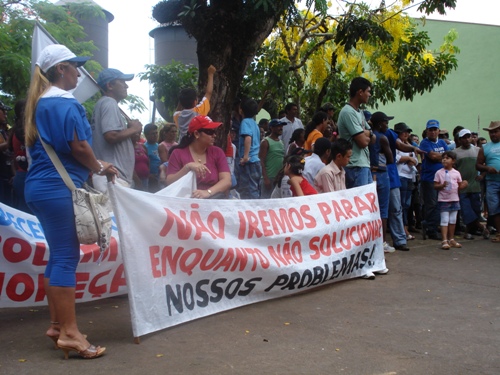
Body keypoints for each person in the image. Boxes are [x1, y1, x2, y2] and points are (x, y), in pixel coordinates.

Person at [24, 44, 118, 359]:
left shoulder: (41, 103)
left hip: (40, 188)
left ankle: (56, 326)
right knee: (66, 258)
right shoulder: (65, 103)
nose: (79, 72)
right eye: (74, 66)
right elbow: (78, 148)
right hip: (57, 188)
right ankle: (70, 333)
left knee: (57, 257)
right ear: (61, 69)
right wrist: (100, 166)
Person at [91, 68, 143, 192]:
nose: (127, 85)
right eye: (122, 82)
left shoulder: (102, 104)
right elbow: (111, 136)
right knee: (113, 212)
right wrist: (134, 128)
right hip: (112, 177)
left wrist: (131, 132)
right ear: (109, 85)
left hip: (110, 176)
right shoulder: (109, 102)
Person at [166, 115, 231, 199]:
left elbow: (226, 181)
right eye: (210, 132)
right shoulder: (177, 153)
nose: (214, 135)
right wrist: (187, 167)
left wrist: (208, 192)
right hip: (185, 203)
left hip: (213, 202)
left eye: (214, 131)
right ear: (196, 134)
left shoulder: (217, 152)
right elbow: (170, 182)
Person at [337, 77, 376, 188]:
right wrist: (367, 133)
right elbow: (363, 142)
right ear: (360, 92)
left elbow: (373, 139)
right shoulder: (348, 112)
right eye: (368, 91)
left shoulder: (360, 112)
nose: (369, 95)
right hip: (355, 166)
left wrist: (368, 133)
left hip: (363, 165)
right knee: (359, 202)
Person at [455, 129, 489, 240]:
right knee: (466, 209)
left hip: (475, 185)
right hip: (462, 186)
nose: (466, 139)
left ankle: (469, 231)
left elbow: (485, 164)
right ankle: (481, 227)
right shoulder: (455, 153)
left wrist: (482, 175)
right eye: (464, 137)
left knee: (475, 209)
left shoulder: (478, 150)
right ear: (460, 140)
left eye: (468, 136)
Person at [369, 112, 395, 253]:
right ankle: (382, 241)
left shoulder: (367, 137)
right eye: (386, 122)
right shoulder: (382, 138)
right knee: (383, 210)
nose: (387, 125)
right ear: (380, 124)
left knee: (370, 209)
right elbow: (390, 159)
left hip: (369, 173)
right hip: (381, 173)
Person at [420, 119, 449, 240]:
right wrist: (445, 157)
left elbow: (449, 157)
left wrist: (441, 157)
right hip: (429, 178)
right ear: (427, 131)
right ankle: (430, 228)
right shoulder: (424, 143)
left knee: (440, 204)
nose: (432, 132)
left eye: (434, 130)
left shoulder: (442, 142)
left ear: (438, 131)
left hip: (442, 179)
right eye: (430, 130)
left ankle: (430, 225)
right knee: (431, 204)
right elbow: (432, 156)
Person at [434, 151, 468, 249]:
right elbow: (435, 186)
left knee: (453, 220)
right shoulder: (439, 173)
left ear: (453, 161)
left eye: (447, 158)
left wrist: (464, 184)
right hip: (443, 200)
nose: (444, 159)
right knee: (444, 220)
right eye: (443, 158)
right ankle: (444, 240)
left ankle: (451, 239)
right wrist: (442, 185)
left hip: (454, 199)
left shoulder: (456, 173)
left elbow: (460, 186)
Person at [174, 65, 216, 140]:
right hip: (195, 144)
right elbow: (209, 93)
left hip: (182, 145)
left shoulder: (177, 115)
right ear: (195, 101)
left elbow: (178, 108)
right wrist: (211, 74)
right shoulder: (198, 111)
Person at [476, 121, 500, 242]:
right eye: (491, 132)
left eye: (496, 131)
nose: (493, 134)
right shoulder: (485, 148)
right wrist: (488, 168)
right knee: (494, 208)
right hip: (492, 182)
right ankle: (499, 233)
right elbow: (478, 165)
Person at [394, 122, 418, 241]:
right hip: (401, 175)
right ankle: (403, 228)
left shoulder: (410, 144)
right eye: (404, 132)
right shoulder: (397, 144)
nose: (406, 134)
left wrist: (411, 160)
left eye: (407, 132)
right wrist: (408, 158)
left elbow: (416, 160)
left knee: (407, 205)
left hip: (410, 176)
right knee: (401, 204)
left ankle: (406, 226)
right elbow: (397, 158)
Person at [237, 98, 261, 199]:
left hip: (249, 162)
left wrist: (245, 156)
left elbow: (247, 138)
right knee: (255, 187)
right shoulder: (254, 123)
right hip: (256, 160)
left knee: (247, 190)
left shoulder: (245, 122)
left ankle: (250, 211)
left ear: (241, 110)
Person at [259, 119, 286, 198]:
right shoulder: (266, 142)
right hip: (269, 177)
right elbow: (261, 160)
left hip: (278, 178)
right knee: (266, 202)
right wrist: (265, 178)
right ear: (271, 128)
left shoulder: (281, 142)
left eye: (281, 126)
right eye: (278, 126)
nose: (281, 128)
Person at [0, 100, 13, 206]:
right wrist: (8, 142)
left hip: (8, 176)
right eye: (3, 110)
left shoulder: (5, 130)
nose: (5, 113)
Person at [143, 123, 161, 192]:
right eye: (153, 134)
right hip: (151, 177)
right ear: (146, 135)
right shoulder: (144, 147)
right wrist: (149, 175)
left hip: (160, 175)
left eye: (156, 133)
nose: (155, 135)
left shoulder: (159, 145)